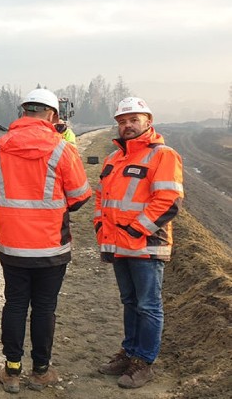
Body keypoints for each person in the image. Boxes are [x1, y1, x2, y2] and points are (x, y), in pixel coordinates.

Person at [0, 88, 91, 393]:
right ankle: (41, 370)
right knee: (44, 307)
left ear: (22, 112)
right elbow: (81, 197)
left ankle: (11, 371)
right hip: (52, 247)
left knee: (15, 303)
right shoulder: (62, 149)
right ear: (53, 116)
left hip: (12, 245)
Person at [94, 97, 183, 389]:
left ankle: (143, 362)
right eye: (122, 121)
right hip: (119, 245)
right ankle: (129, 352)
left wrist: (135, 230)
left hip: (146, 245)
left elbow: (168, 201)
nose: (127, 126)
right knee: (130, 302)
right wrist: (100, 227)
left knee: (147, 305)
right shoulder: (114, 158)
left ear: (148, 121)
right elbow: (102, 198)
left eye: (133, 120)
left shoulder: (163, 155)